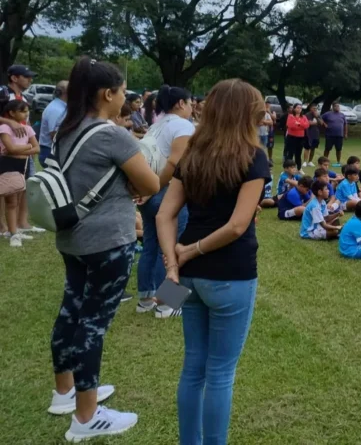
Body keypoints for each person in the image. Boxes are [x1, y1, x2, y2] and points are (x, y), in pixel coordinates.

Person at [48, 57, 160, 441]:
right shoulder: (112, 134)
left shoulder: (66, 129)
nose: (125, 98)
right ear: (107, 94)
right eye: (123, 92)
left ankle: (65, 392)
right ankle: (87, 416)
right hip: (108, 241)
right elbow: (152, 184)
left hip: (73, 238)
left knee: (71, 311)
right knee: (92, 324)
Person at [155, 78, 269, 445]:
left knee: (193, 368)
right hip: (228, 274)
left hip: (188, 277)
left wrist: (174, 263)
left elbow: (164, 216)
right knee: (219, 373)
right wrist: (185, 254)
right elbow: (238, 225)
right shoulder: (254, 157)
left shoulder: (192, 153)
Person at [137, 85, 194, 318]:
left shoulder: (156, 125)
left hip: (149, 192)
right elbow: (175, 164)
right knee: (170, 247)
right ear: (181, 103)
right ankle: (167, 303)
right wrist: (155, 188)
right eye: (190, 103)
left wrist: (148, 189)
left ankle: (145, 299)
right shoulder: (183, 126)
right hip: (166, 191)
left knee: (150, 244)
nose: (192, 108)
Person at [0, 100, 38, 247]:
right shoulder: (4, 128)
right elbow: (10, 148)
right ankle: (13, 234)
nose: (26, 114)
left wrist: (24, 147)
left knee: (18, 198)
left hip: (23, 166)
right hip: (7, 165)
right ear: (11, 113)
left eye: (27, 111)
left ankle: (13, 229)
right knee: (11, 201)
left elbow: (37, 148)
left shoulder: (28, 129)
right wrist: (28, 147)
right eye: (22, 111)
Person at [38, 81, 69, 165]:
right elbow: (54, 135)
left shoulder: (61, 107)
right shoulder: (56, 109)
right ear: (65, 92)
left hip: (52, 150)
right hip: (50, 151)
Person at [322, 101, 348, 166]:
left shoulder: (342, 115)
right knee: (327, 148)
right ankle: (324, 161)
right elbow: (320, 118)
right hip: (330, 135)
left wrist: (345, 133)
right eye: (336, 106)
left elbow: (345, 124)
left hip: (339, 135)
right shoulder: (328, 114)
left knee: (339, 149)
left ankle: (338, 162)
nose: (337, 107)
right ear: (333, 107)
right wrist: (324, 124)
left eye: (338, 106)